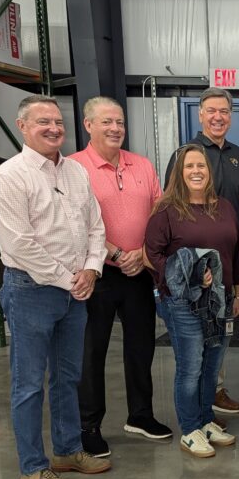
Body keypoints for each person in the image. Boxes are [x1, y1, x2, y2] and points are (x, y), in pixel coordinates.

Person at [0, 94, 110, 479]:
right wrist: (69, 278)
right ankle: (32, 468)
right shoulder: (11, 176)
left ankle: (67, 450)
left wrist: (92, 268)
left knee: (67, 377)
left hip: (75, 290)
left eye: (58, 121)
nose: (54, 128)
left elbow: (96, 225)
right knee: (28, 385)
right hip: (32, 291)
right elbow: (20, 244)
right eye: (43, 122)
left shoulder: (75, 172)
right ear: (22, 126)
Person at [68, 96, 171, 458]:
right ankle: (89, 426)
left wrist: (141, 255)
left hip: (139, 271)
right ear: (88, 125)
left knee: (141, 347)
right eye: (107, 122)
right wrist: (113, 253)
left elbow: (161, 216)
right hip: (95, 273)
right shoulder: (73, 168)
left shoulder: (141, 165)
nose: (115, 129)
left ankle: (141, 415)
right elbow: (76, 223)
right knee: (91, 353)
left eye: (120, 123)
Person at [144, 144, 239, 457]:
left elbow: (236, 250)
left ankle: (205, 421)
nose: (196, 171)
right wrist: (187, 273)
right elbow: (151, 255)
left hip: (221, 300)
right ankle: (189, 429)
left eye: (201, 165)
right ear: (180, 172)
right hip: (183, 302)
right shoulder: (166, 211)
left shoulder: (224, 207)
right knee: (191, 367)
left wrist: (238, 291)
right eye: (189, 166)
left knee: (212, 366)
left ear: (209, 171)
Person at [164, 87, 239, 416]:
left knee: (222, 329)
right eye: (211, 111)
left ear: (230, 116)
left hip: (230, 253)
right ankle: (201, 408)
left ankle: (214, 391)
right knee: (195, 345)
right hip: (195, 267)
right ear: (200, 114)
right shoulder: (187, 154)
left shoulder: (237, 154)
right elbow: (172, 207)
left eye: (224, 111)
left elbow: (238, 206)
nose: (218, 117)